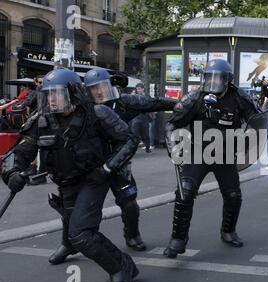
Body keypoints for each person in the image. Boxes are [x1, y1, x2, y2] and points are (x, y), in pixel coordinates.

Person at [2, 68, 139, 282]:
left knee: (81, 234)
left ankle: (120, 269)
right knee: (80, 230)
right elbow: (17, 153)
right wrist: (12, 173)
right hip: (65, 184)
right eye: (48, 94)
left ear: (73, 93)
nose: (52, 99)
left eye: (57, 93)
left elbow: (128, 140)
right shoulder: (41, 121)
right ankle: (125, 265)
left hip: (93, 180)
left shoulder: (98, 114)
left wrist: (107, 168)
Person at [44, 68, 177, 265]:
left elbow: (154, 102)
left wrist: (184, 105)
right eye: (93, 89)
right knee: (70, 208)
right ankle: (68, 242)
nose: (98, 92)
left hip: (117, 162)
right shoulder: (80, 107)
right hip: (85, 167)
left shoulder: (124, 103)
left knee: (128, 202)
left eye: (102, 87)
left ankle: (132, 235)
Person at [164, 59, 260, 258]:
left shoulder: (239, 97)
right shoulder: (194, 98)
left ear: (228, 80)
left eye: (218, 78)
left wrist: (246, 141)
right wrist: (174, 148)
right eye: (209, 77)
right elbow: (172, 125)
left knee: (233, 195)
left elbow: (258, 121)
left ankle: (228, 231)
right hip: (198, 152)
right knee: (185, 192)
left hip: (224, 154)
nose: (213, 82)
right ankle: (178, 239)